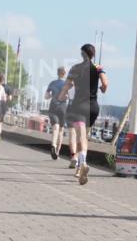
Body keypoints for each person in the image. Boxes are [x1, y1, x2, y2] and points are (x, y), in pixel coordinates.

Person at [59, 44, 108, 185]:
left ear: (82, 54)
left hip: (79, 107)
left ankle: (83, 163)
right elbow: (105, 83)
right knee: (84, 137)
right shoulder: (97, 67)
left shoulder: (75, 68)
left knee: (80, 137)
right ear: (93, 55)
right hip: (93, 107)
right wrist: (102, 89)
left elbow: (67, 85)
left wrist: (61, 95)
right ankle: (80, 168)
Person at [44, 66, 68, 160]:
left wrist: (52, 95)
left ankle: (53, 145)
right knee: (61, 130)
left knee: (55, 128)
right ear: (64, 73)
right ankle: (57, 152)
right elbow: (68, 96)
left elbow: (46, 96)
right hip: (63, 108)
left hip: (53, 107)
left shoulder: (52, 83)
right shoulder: (67, 84)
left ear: (58, 73)